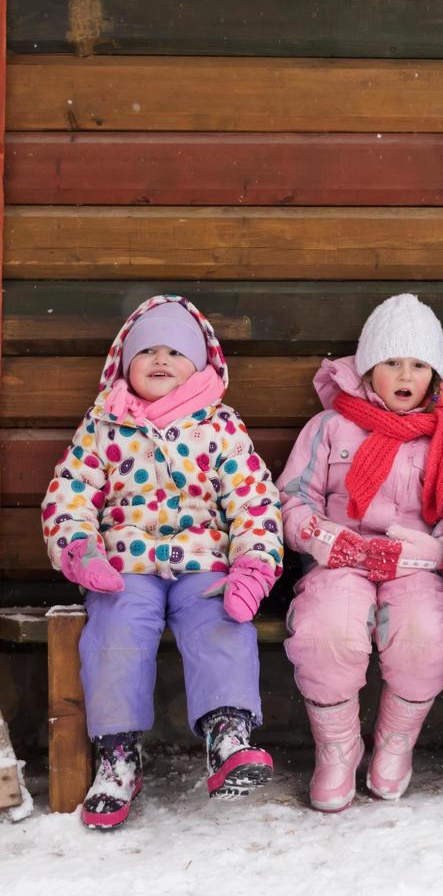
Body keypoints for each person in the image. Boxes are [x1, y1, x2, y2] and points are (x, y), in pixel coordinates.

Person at [42, 295, 283, 829]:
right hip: (124, 564)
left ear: (199, 365)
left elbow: (254, 499)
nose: (159, 359)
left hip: (204, 561)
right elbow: (71, 493)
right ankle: (118, 755)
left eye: (175, 351)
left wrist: (253, 566)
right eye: (146, 349)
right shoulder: (104, 423)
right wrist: (80, 549)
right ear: (123, 360)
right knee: (115, 629)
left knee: (222, 619)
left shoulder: (219, 426)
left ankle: (228, 735)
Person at [278, 294, 443, 812]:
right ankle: (336, 748)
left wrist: (439, 546)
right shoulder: (330, 427)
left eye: (419, 365)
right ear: (367, 369)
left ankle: (396, 743)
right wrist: (316, 533)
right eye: (392, 363)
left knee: (425, 631)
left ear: (435, 375)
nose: (406, 374)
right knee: (326, 629)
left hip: (415, 565)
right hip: (339, 559)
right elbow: (293, 496)